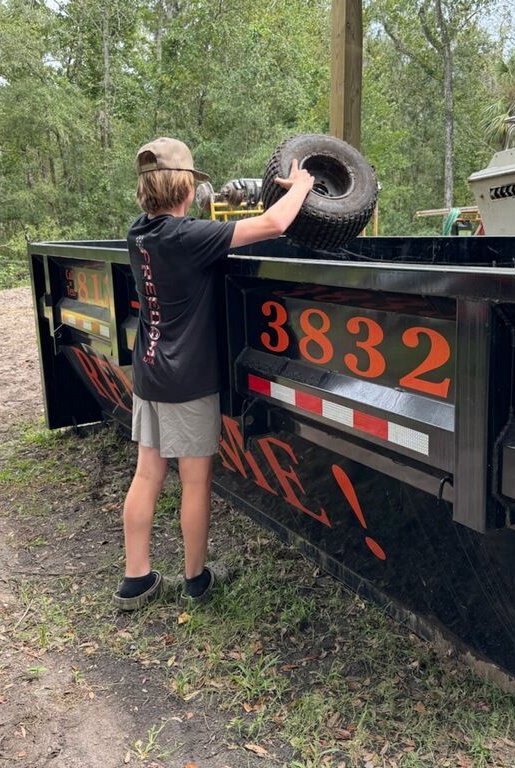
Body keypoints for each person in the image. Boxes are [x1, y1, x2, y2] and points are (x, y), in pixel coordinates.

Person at [113, 137, 314, 609]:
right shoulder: (188, 238)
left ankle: (136, 578)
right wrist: (301, 185)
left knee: (147, 475)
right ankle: (196, 580)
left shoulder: (137, 234)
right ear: (186, 187)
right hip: (187, 381)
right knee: (195, 481)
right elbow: (275, 223)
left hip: (149, 374)